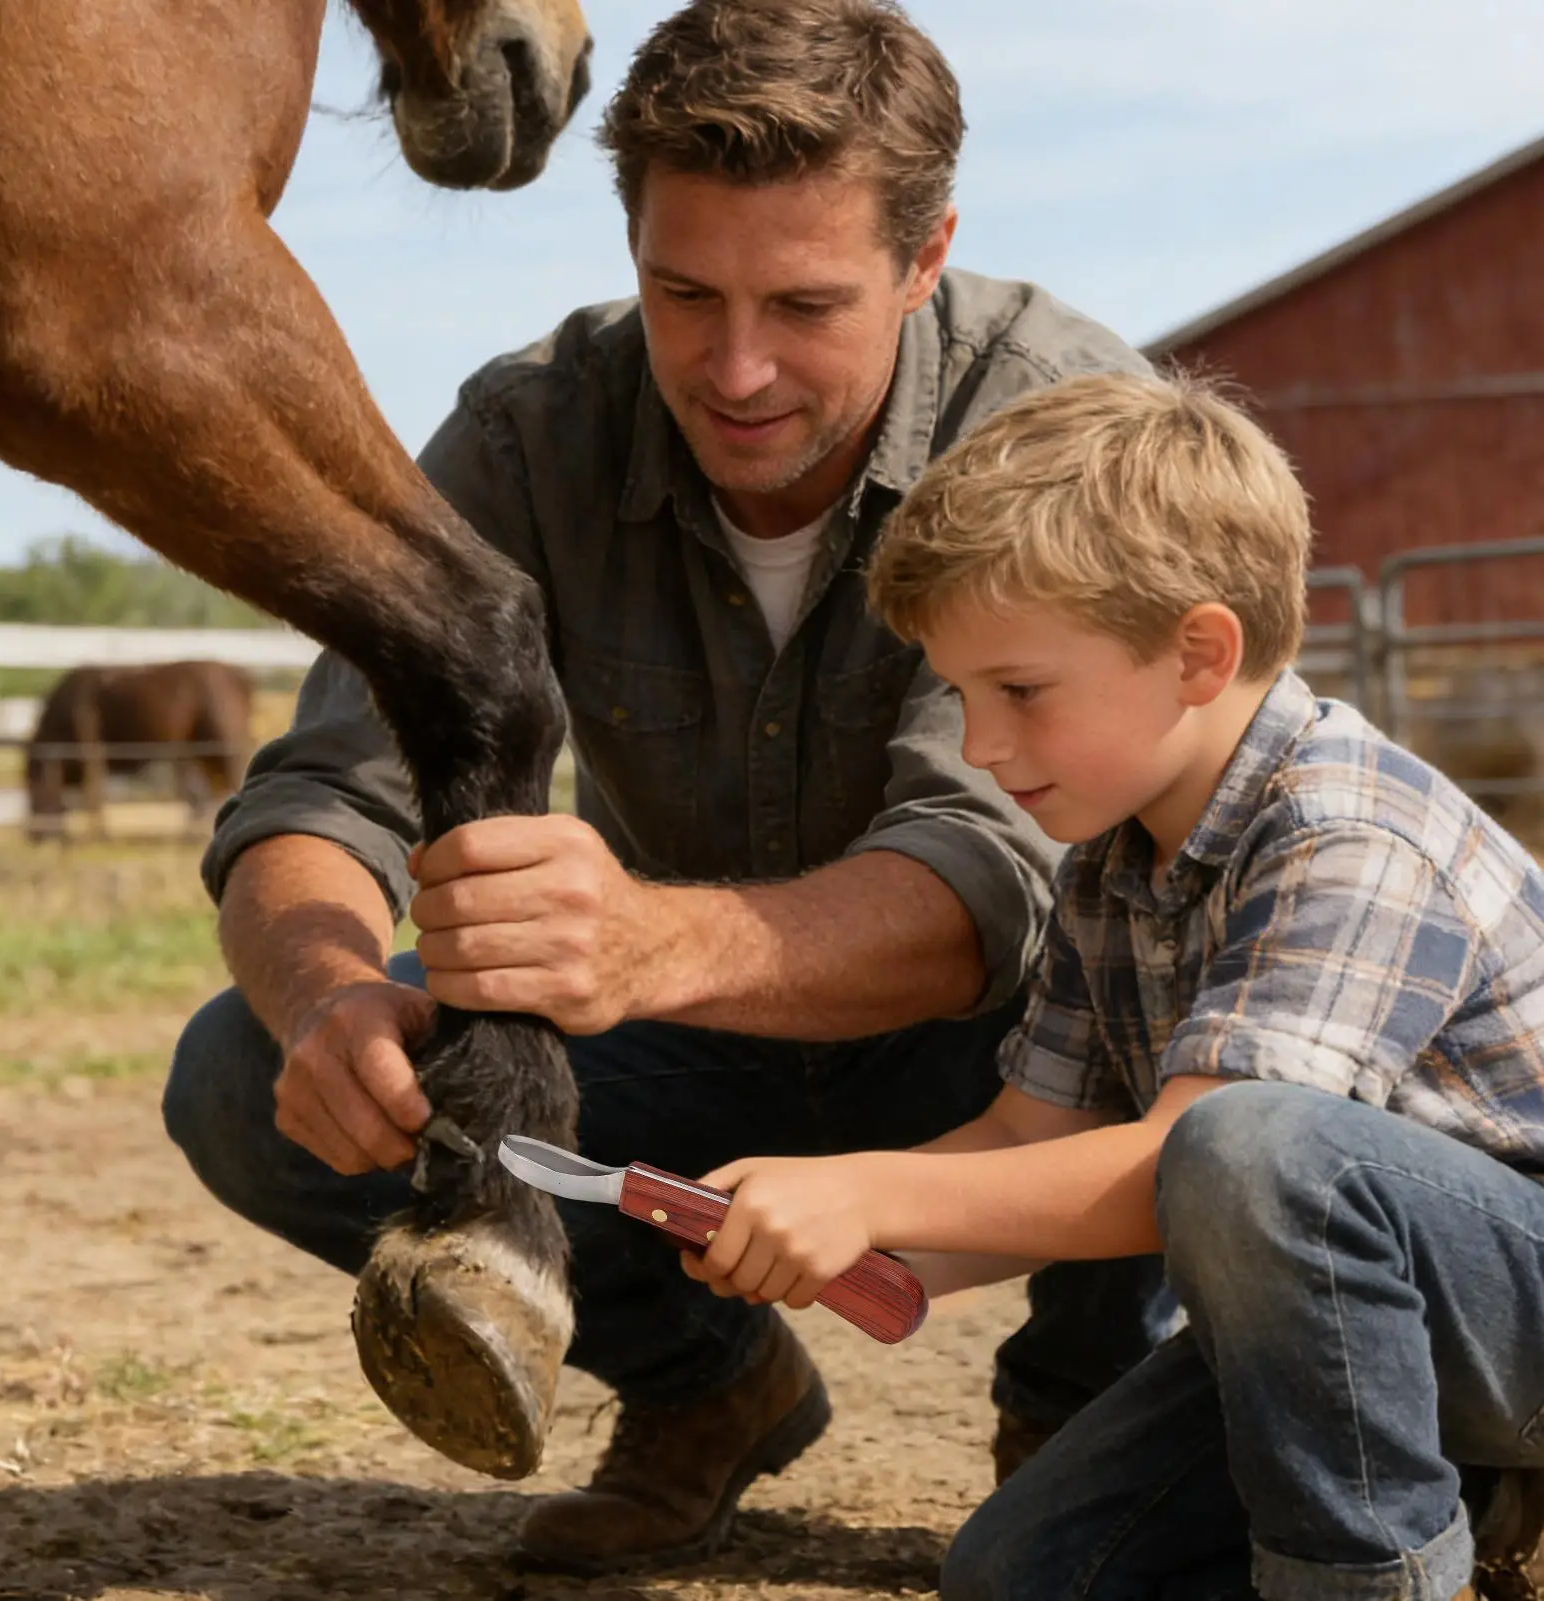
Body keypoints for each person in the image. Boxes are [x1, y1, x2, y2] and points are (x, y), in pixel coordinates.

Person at [161, 0, 1177, 1574]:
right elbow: (323, 791)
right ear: (630, 242)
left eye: (806, 303)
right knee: (239, 1074)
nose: (737, 368)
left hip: (1017, 1045)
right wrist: (324, 997)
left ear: (925, 256)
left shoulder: (1058, 423)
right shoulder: (528, 432)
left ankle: (1081, 1419)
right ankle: (709, 1387)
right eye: (683, 293)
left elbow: (997, 872)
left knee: (1187, 996)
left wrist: (643, 944)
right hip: (682, 1044)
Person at [680, 368, 1544, 1601]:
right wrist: (860, 1242)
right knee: (1022, 1574)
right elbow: (1030, 1136)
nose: (980, 745)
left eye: (1019, 690)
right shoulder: (1109, 860)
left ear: (1197, 652)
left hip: (1517, 1295)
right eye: (961, 695)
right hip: (1380, 1338)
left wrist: (864, 1185)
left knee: (1251, 1147)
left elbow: (1195, 1164)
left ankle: (1371, 1580)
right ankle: (1480, 1490)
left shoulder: (1347, 832)